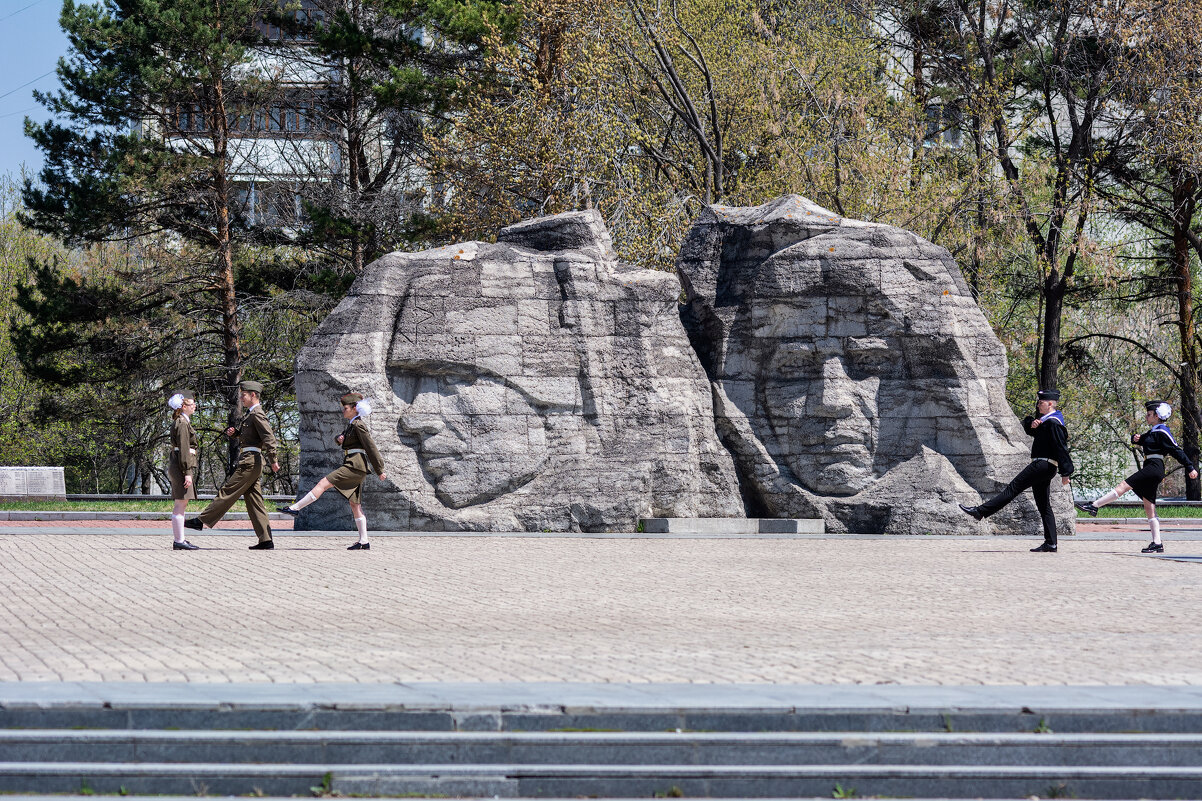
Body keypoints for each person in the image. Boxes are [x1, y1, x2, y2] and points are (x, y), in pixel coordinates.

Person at [1075, 400, 1198, 553]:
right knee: (1149, 507)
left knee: (1123, 486)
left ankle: (1094, 505)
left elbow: (1176, 450)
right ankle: (1157, 543)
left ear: (1156, 416)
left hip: (1154, 467)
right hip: (1151, 467)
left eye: (1148, 415)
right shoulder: (1153, 431)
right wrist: (1135, 438)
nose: (1146, 417)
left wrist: (1190, 467)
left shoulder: (1162, 432)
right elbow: (1141, 439)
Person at [959, 389, 1074, 552]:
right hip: (1045, 466)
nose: (1038, 405)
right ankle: (1051, 543)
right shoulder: (1047, 421)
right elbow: (1038, 436)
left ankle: (980, 511)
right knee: (1044, 506)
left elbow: (1061, 448)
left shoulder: (1054, 423)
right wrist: (1032, 425)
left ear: (1050, 404)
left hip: (1042, 465)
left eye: (1041, 403)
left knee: (1012, 489)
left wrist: (1066, 473)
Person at [279, 392, 387, 550]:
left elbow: (371, 447)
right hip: (355, 466)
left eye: (345, 408)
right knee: (355, 504)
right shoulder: (352, 425)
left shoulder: (358, 425)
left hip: (354, 466)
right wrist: (339, 438)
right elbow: (343, 438)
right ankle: (364, 541)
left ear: (354, 408)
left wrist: (380, 469)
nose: (343, 411)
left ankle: (295, 508)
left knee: (323, 483)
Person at [184, 380, 280, 549]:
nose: (241, 398)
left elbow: (269, 438)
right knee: (255, 501)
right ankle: (266, 540)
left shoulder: (257, 414)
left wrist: (274, 460)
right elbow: (253, 437)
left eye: (243, 395)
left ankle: (201, 520)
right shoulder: (251, 414)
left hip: (250, 462)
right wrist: (236, 434)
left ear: (253, 395)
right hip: (251, 460)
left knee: (228, 491)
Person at [167, 389, 201, 550]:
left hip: (180, 464)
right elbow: (184, 448)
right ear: (183, 406)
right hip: (181, 466)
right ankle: (179, 541)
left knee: (182, 503)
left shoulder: (183, 421)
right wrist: (187, 472)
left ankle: (180, 539)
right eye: (192, 403)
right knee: (180, 503)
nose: (195, 406)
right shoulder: (182, 423)